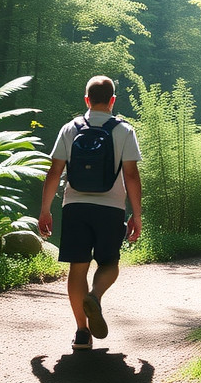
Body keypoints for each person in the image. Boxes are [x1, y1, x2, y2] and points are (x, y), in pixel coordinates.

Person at [38, 75, 143, 351]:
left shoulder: (70, 128)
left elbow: (54, 172)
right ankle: (95, 296)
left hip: (74, 207)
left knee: (78, 268)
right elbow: (131, 176)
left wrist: (45, 210)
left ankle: (82, 332)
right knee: (109, 264)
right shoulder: (124, 130)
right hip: (110, 209)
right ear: (113, 100)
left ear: (86, 99)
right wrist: (136, 215)